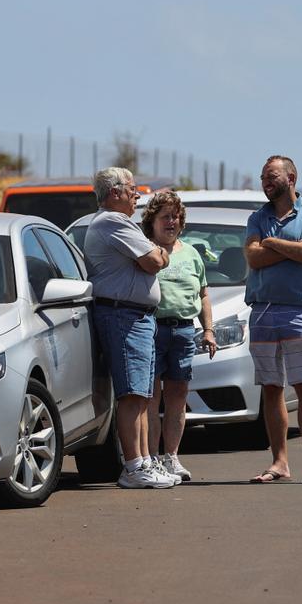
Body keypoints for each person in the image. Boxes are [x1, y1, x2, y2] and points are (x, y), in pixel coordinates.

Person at [83, 167, 178, 489]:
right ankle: (134, 466)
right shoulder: (113, 221)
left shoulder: (121, 223)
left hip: (136, 316)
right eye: (133, 189)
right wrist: (158, 254)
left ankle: (144, 461)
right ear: (115, 193)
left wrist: (155, 255)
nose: (138, 195)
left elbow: (153, 257)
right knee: (132, 395)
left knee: (141, 396)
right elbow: (154, 260)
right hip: (123, 316)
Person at [243, 155, 302, 485]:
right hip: (263, 311)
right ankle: (279, 462)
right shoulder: (257, 217)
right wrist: (294, 247)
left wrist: (273, 242)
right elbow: (253, 257)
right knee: (271, 388)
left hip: (299, 311)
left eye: (271, 176)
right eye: (263, 177)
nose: (265, 182)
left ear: (291, 178)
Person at [142, 191, 218, 481]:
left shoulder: (191, 254)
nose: (171, 222)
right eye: (165, 217)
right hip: (152, 329)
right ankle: (151, 459)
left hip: (185, 330)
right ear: (153, 222)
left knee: (178, 396)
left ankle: (171, 457)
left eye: (175, 216)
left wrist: (208, 330)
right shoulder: (146, 251)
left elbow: (203, 294)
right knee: (151, 397)